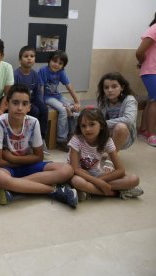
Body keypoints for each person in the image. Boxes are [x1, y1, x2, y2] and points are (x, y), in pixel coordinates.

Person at [0, 84, 77, 208]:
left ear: (29, 107)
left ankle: (15, 187)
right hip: (8, 168)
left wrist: (13, 158)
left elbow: (39, 157)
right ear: (7, 104)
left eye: (24, 104)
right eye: (15, 103)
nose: (20, 108)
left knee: (67, 170)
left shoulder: (33, 122)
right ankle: (53, 190)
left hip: (26, 165)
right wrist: (22, 160)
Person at [68, 108, 143, 200]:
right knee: (77, 182)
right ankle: (116, 193)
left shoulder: (107, 141)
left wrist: (99, 181)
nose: (87, 129)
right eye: (83, 126)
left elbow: (120, 170)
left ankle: (89, 190)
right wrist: (99, 183)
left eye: (92, 124)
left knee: (134, 179)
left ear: (102, 125)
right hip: (80, 175)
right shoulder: (76, 140)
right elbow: (75, 169)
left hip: (97, 175)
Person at [38, 50, 80, 151]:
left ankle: (71, 134)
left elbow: (69, 86)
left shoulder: (61, 72)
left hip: (57, 96)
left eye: (60, 63)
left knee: (73, 109)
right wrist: (41, 103)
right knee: (62, 110)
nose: (56, 64)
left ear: (63, 65)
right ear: (49, 60)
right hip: (47, 97)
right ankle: (61, 139)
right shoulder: (43, 70)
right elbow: (41, 88)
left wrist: (77, 101)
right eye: (54, 61)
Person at [14, 45, 50, 155]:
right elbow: (14, 93)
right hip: (22, 102)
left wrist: (41, 102)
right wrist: (26, 104)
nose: (29, 58)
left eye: (32, 56)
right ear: (20, 60)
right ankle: (29, 140)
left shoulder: (35, 74)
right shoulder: (16, 74)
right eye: (26, 56)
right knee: (34, 111)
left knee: (44, 109)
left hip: (33, 99)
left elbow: (38, 91)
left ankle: (41, 139)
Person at [96, 72, 138, 151]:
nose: (110, 90)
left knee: (120, 127)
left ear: (122, 87)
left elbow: (129, 120)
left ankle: (110, 160)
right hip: (107, 131)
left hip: (125, 135)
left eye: (114, 86)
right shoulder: (103, 100)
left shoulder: (129, 100)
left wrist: (103, 124)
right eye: (106, 87)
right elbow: (98, 118)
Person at [136, 12, 156, 147]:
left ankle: (144, 130)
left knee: (152, 99)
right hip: (151, 71)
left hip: (153, 70)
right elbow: (139, 52)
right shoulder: (155, 29)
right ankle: (151, 134)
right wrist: (142, 62)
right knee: (155, 101)